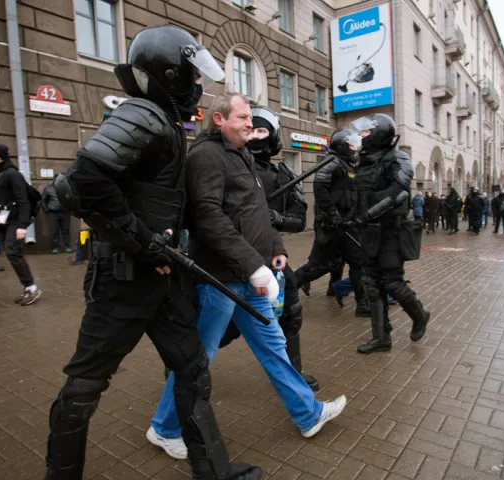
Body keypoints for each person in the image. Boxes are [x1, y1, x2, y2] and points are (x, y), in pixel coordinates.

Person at [44, 28, 260, 480]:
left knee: (193, 368)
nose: (197, 87)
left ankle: (213, 471)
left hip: (163, 276)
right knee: (84, 386)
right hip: (123, 282)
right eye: (191, 76)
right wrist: (142, 242)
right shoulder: (142, 112)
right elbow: (82, 182)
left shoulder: (162, 119)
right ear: (170, 74)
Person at [149, 92, 346, 459]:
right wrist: (254, 265)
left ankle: (308, 414)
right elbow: (208, 217)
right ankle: (164, 428)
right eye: (242, 117)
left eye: (251, 119)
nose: (250, 125)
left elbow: (256, 211)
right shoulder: (205, 156)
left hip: (248, 275)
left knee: (274, 347)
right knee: (198, 357)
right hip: (221, 279)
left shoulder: (239, 154)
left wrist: (276, 249)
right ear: (219, 119)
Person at [217, 105, 320, 390]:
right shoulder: (228, 165)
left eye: (263, 130)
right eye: (252, 128)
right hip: (234, 257)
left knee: (290, 311)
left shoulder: (282, 173)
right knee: (226, 325)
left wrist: (272, 217)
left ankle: (292, 374)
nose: (256, 135)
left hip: (271, 256)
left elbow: (298, 220)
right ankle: (187, 362)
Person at [348, 113, 430, 354]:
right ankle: (381, 337)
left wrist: (369, 214)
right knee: (370, 283)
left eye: (366, 132)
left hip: (390, 231)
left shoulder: (398, 159)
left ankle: (420, 315)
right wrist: (352, 217)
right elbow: (360, 195)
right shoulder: (364, 161)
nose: (363, 137)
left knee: (392, 283)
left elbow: (398, 194)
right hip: (368, 232)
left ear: (379, 133)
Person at [295, 128, 368, 318]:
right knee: (321, 265)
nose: (355, 148)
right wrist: (334, 215)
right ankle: (290, 285)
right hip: (331, 224)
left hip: (347, 223)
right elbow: (320, 189)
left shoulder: (350, 165)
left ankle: (362, 304)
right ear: (342, 145)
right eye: (351, 144)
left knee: (356, 261)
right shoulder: (331, 163)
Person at [0, 144, 41, 305]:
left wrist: (23, 226)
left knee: (12, 252)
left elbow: (23, 200)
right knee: (11, 252)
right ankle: (27, 288)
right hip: (3, 220)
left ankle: (32, 288)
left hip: (16, 220)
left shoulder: (12, 174)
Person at [41, 183, 72, 254]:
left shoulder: (66, 189)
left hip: (65, 213)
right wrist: (47, 210)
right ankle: (55, 247)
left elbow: (70, 199)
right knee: (54, 231)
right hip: (53, 213)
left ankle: (67, 247)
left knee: (66, 230)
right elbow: (43, 201)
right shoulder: (48, 189)